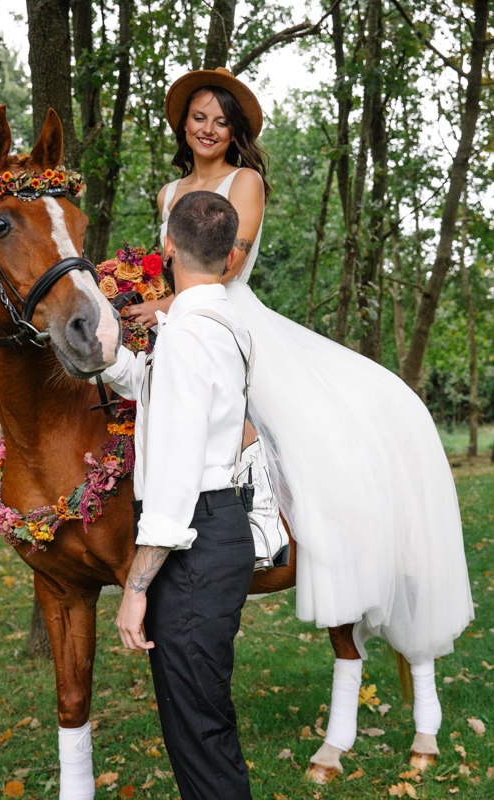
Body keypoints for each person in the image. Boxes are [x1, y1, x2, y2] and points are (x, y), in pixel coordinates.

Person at [127, 67, 473, 766]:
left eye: (220, 121)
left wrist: (160, 307)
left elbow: (226, 266)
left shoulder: (243, 183)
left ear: (235, 133)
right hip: (182, 322)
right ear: (182, 123)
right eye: (197, 116)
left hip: (232, 320)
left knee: (319, 459)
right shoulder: (167, 193)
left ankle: (322, 547)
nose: (207, 128)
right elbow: (172, 268)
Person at [96, 190, 255, 800]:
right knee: (200, 725)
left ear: (167, 249)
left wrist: (134, 590)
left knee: (200, 736)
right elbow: (165, 395)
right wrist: (110, 357)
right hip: (216, 535)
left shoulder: (190, 336)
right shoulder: (218, 325)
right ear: (227, 254)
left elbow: (175, 482)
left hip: (196, 545)